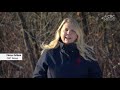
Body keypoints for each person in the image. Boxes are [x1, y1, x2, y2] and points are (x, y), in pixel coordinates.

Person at [33, 17, 103, 78]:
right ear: (60, 32)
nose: (68, 33)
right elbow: (38, 75)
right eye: (66, 29)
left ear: (77, 35)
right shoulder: (49, 53)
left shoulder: (87, 54)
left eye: (73, 31)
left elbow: (96, 75)